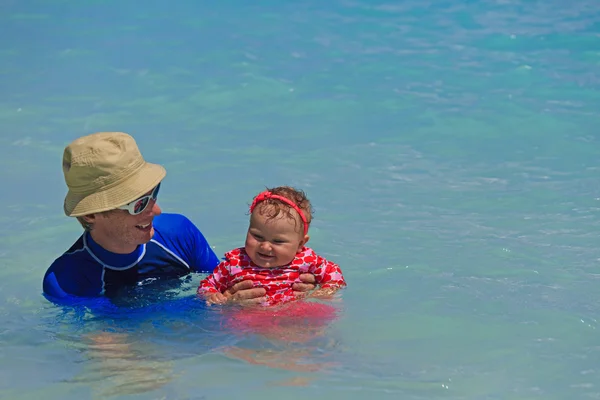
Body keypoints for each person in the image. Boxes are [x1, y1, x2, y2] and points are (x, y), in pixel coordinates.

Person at [42, 132, 316, 304]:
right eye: (139, 203)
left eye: (153, 194)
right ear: (92, 214)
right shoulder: (67, 281)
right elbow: (105, 340)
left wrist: (299, 285)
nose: (156, 210)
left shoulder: (179, 233)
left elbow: (228, 284)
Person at [198, 186, 347, 306]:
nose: (265, 246)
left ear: (300, 244)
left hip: (295, 320)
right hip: (249, 322)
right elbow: (207, 285)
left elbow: (334, 274)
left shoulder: (306, 260)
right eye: (257, 236)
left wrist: (327, 291)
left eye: (277, 241)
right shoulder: (235, 263)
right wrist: (212, 296)